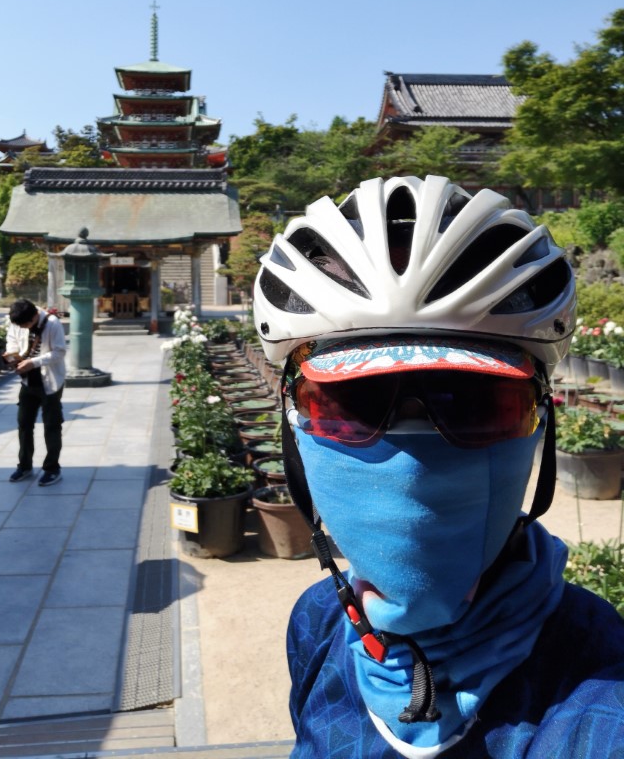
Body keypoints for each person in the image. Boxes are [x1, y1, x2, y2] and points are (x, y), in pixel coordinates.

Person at [253, 175, 624, 757]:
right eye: (349, 404)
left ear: (540, 425)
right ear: (292, 427)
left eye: (475, 403)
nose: (409, 464)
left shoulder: (604, 699)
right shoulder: (318, 623)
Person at [5, 299, 66, 486]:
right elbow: (12, 340)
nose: (23, 327)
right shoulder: (17, 321)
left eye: (26, 324)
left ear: (34, 316)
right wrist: (12, 356)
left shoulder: (53, 323)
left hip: (50, 381)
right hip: (27, 381)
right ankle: (24, 465)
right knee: (24, 424)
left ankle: (52, 468)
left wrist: (33, 362)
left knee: (51, 426)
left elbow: (59, 352)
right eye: (20, 325)